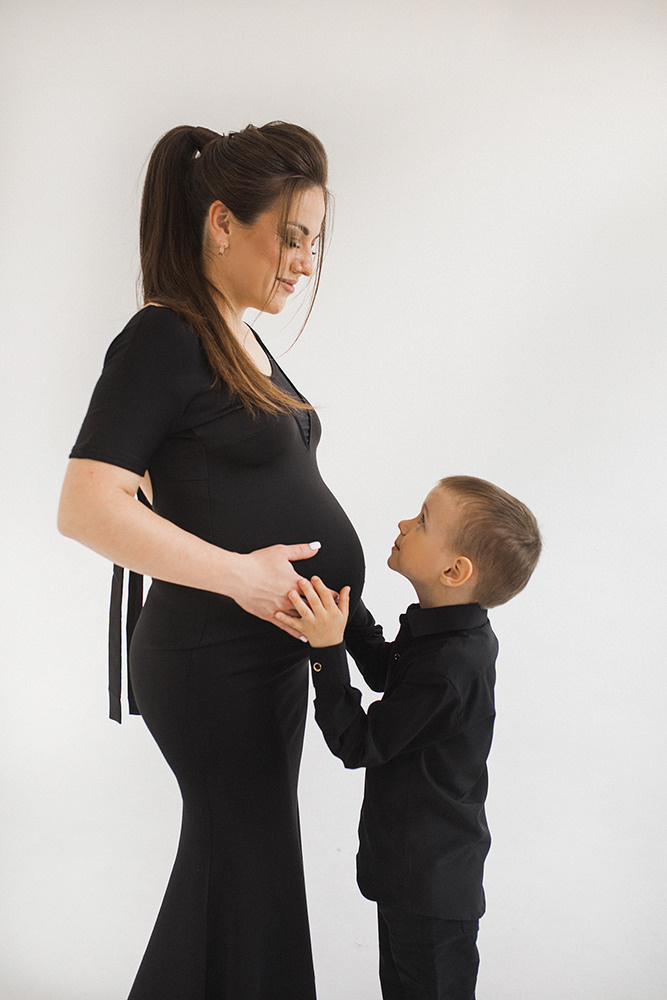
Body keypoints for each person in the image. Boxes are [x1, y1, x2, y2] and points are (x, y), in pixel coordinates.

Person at [57, 122, 366, 1000]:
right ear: (224, 223)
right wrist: (245, 576)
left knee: (240, 875)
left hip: (259, 655)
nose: (304, 262)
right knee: (247, 867)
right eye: (293, 235)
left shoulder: (234, 334)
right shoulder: (162, 336)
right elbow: (85, 506)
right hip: (210, 657)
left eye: (314, 240)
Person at [276, 475, 542, 1000]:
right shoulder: (445, 630)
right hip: (408, 872)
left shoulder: (452, 665)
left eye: (422, 521)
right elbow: (387, 675)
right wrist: (349, 616)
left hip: (432, 885)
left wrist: (326, 652)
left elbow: (359, 743)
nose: (404, 523)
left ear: (454, 570)